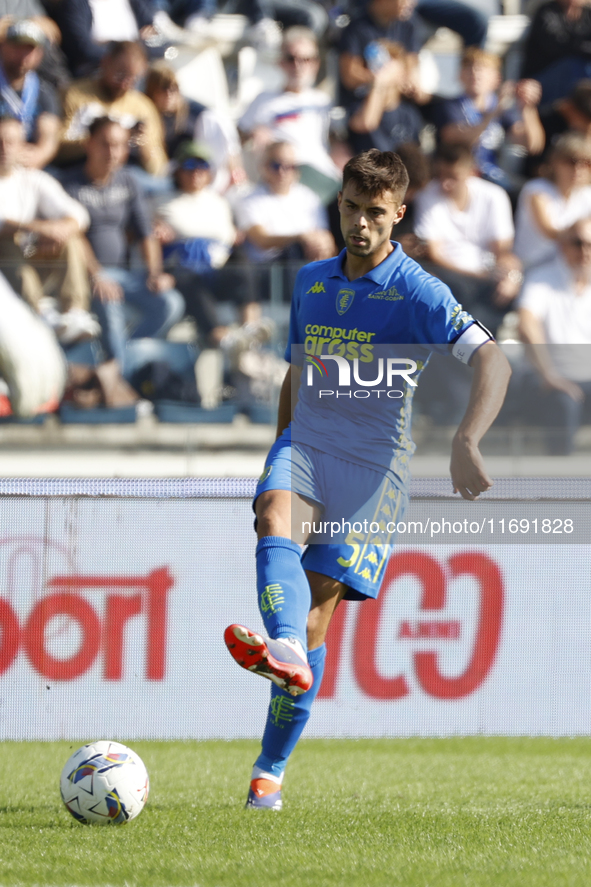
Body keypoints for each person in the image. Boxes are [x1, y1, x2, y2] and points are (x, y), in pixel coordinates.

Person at [223, 148, 511, 809]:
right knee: (275, 516)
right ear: (339, 204)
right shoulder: (311, 281)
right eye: (350, 208)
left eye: (374, 213)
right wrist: (277, 454)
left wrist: (467, 438)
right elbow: (299, 369)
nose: (359, 224)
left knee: (318, 609)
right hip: (308, 442)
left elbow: (493, 361)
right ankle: (285, 646)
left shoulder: (418, 292)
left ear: (398, 216)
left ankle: (270, 766)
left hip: (372, 469)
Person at [62, 115, 184, 375]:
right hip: (85, 277)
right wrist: (96, 276)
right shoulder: (70, 184)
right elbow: (75, 237)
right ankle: (121, 379)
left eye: (118, 145)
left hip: (124, 275)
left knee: (170, 303)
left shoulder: (129, 181)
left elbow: (146, 233)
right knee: (110, 303)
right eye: (105, 144)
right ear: (89, 145)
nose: (112, 151)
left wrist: (155, 273)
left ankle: (121, 366)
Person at [0, 114, 96, 342]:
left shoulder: (32, 179)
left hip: (33, 261)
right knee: (6, 243)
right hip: (5, 273)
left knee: (69, 238)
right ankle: (41, 313)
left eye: (10, 141)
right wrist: (37, 228)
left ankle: (75, 312)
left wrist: (60, 229)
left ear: (22, 145)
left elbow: (79, 215)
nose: (4, 148)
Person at [153, 140, 258, 345]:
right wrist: (154, 232)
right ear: (178, 170)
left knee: (242, 261)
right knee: (188, 277)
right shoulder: (160, 201)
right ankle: (220, 336)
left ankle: (251, 327)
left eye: (202, 166)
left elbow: (231, 237)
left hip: (217, 269)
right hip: (184, 272)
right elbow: (143, 234)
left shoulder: (220, 202)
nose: (196, 172)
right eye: (189, 166)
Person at [413, 143, 522, 334]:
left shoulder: (494, 196)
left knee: (508, 288)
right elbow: (435, 254)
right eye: (441, 175)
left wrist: (511, 277)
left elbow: (502, 251)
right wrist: (477, 276)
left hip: (484, 279)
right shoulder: (427, 195)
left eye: (453, 177)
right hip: (447, 276)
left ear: (472, 172)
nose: (445, 183)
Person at [238, 27, 340, 203]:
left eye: (306, 59)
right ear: (281, 62)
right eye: (291, 59)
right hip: (285, 171)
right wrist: (255, 135)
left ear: (315, 64)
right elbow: (238, 136)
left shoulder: (322, 102)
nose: (298, 66)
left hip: (322, 172)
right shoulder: (264, 100)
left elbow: (337, 142)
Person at [518, 218, 591, 455]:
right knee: (563, 404)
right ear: (563, 245)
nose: (584, 251)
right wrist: (550, 374)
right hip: (550, 379)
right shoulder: (542, 278)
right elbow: (527, 323)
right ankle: (560, 483)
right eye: (578, 243)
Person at [436, 48, 544, 191]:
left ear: (497, 79)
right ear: (460, 75)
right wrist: (493, 112)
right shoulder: (450, 106)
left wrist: (527, 108)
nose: (475, 73)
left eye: (483, 68)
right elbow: (461, 140)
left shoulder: (499, 107)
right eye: (469, 68)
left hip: (491, 177)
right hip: (458, 179)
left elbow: (532, 146)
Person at [58, 40, 168, 176]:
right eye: (120, 74)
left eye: (131, 78)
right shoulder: (74, 94)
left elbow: (158, 167)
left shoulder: (143, 107)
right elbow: (57, 148)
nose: (123, 84)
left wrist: (142, 145)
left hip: (127, 174)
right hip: (76, 169)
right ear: (105, 63)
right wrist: (97, 142)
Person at [514, 133, 591, 272]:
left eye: (585, 163)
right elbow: (550, 232)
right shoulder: (536, 190)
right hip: (532, 267)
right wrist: (580, 237)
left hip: (570, 269)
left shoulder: (586, 194)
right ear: (554, 162)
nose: (578, 169)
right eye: (571, 161)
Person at [0, 19, 61, 168]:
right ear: (3, 47)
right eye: (17, 47)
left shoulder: (44, 90)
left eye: (29, 49)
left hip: (28, 167)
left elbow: (49, 137)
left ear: (39, 54)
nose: (23, 55)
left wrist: (38, 155)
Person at [347, 40, 424, 155]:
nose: (382, 71)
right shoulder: (358, 107)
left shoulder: (409, 114)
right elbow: (366, 123)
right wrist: (378, 83)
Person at [521, 0, 591, 106]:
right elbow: (560, 48)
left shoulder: (588, 14)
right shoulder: (547, 12)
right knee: (575, 66)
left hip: (573, 75)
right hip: (541, 81)